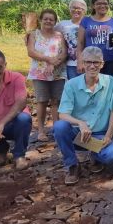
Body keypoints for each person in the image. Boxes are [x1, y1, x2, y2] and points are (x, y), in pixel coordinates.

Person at [54, 47, 113, 185]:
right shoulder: (71, 84)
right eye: (88, 62)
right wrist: (80, 123)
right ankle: (72, 165)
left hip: (100, 133)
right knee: (59, 126)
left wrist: (109, 134)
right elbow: (62, 114)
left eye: (96, 62)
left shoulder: (110, 81)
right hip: (78, 133)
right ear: (83, 64)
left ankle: (94, 155)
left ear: (102, 64)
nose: (92, 66)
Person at [77, 0, 113, 129]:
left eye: (105, 3)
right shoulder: (86, 21)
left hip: (112, 61)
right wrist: (80, 61)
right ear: (93, 5)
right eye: (99, 3)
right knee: (91, 91)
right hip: (91, 63)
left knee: (112, 92)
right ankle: (94, 122)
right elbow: (80, 43)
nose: (102, 6)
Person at [27, 9, 67, 142]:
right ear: (41, 20)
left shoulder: (59, 36)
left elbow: (64, 53)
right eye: (46, 19)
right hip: (39, 73)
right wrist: (48, 59)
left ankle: (57, 129)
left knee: (56, 101)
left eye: (51, 19)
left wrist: (54, 63)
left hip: (58, 72)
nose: (48, 21)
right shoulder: (34, 34)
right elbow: (31, 52)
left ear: (55, 22)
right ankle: (41, 131)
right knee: (42, 101)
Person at [56, 0, 87, 80]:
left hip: (88, 63)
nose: (76, 10)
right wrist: (31, 34)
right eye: (73, 7)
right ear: (69, 10)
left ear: (84, 11)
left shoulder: (89, 23)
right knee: (73, 89)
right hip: (71, 64)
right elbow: (48, 32)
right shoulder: (63, 24)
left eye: (79, 8)